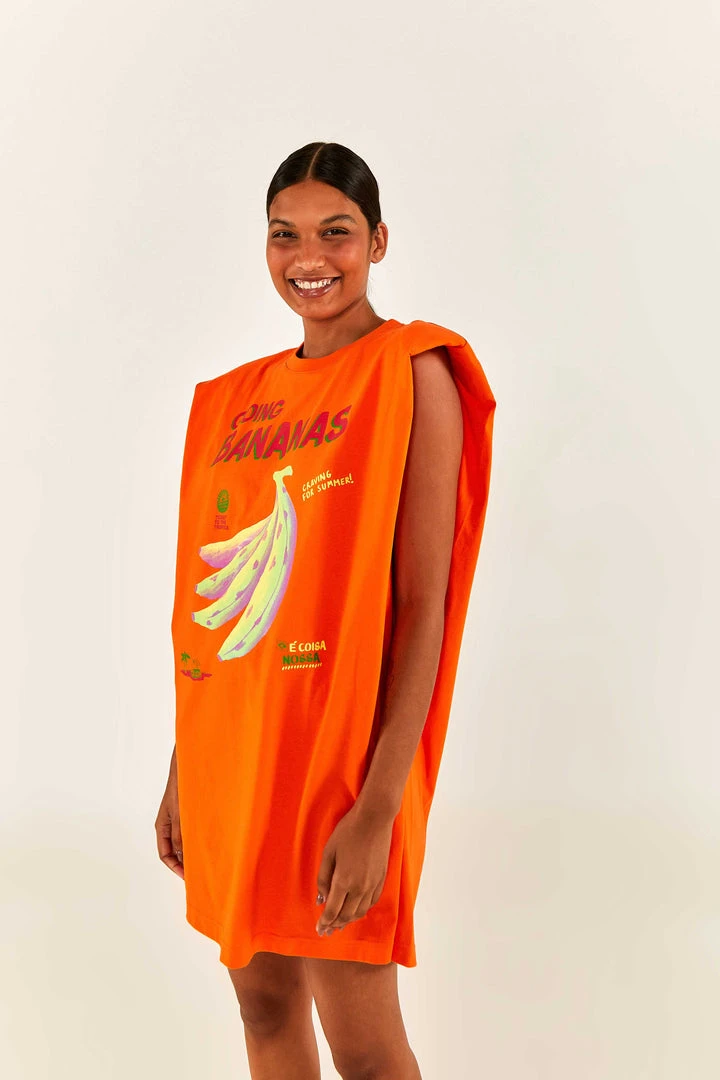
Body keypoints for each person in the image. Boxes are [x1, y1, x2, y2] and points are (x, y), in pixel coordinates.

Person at [155, 141, 496, 1080]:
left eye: (335, 232)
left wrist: (380, 806)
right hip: (234, 750)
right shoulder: (236, 399)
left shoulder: (411, 370)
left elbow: (424, 605)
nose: (310, 258)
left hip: (341, 764)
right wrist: (185, 766)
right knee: (263, 1007)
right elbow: (214, 610)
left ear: (378, 241)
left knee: (365, 1045)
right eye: (285, 236)